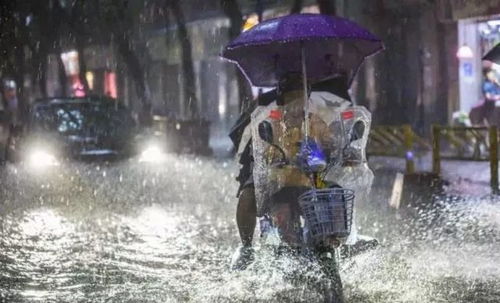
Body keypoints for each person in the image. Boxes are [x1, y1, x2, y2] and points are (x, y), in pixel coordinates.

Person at [230, 74, 353, 270]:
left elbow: (330, 146)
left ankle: (336, 243)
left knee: (335, 197)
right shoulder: (270, 122)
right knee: (247, 197)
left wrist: (335, 149)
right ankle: (246, 247)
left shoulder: (316, 123)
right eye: (292, 97)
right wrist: (275, 157)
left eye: (301, 97)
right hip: (277, 185)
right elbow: (261, 150)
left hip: (310, 183)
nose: (297, 104)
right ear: (282, 99)